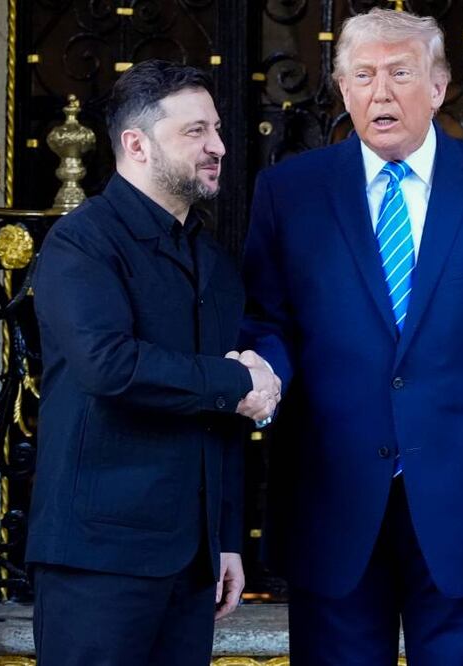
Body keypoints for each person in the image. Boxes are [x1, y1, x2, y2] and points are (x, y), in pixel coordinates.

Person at [241, 8, 463, 664]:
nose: (381, 92)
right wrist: (262, 371)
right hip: (331, 500)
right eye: (362, 75)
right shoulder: (290, 192)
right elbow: (267, 322)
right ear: (342, 90)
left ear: (438, 87)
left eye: (400, 73)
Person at [27, 60, 281, 666]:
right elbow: (107, 365)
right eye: (195, 132)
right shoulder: (80, 241)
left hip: (190, 559)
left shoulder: (215, 264)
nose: (218, 146)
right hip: (97, 555)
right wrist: (237, 380)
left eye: (216, 130)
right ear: (136, 145)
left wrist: (224, 540)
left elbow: (216, 419)